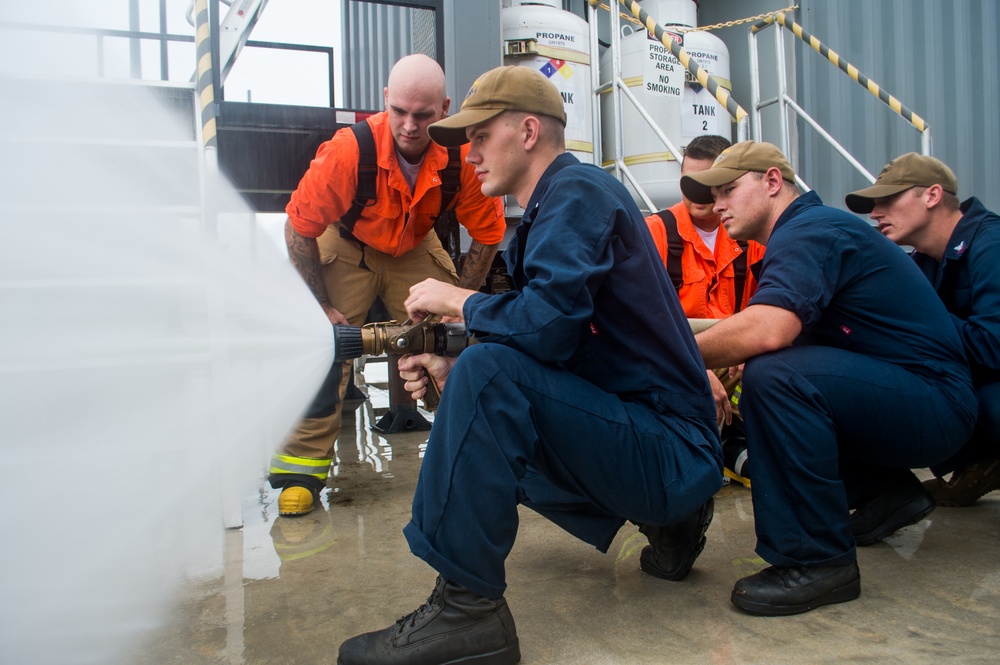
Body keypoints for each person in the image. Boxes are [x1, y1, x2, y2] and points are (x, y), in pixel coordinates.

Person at [336, 65, 721, 665]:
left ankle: (469, 610)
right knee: (481, 376)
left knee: (487, 371)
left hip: (671, 451)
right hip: (660, 450)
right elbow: (557, 349)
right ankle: (671, 522)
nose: (471, 153)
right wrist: (449, 372)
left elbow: (543, 326)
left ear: (529, 130)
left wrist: (458, 300)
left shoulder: (577, 193)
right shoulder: (555, 207)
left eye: (481, 137)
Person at [682, 141, 976, 616]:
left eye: (729, 190)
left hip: (934, 404)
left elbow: (770, 328)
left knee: (775, 376)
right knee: (782, 373)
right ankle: (886, 495)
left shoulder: (810, 230)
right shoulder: (810, 233)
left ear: (772, 182)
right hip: (921, 402)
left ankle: (816, 560)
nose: (717, 206)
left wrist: (676, 356)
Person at [271, 54, 506, 516]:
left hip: (414, 247)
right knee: (324, 345)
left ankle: (470, 446)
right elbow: (299, 227)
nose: (410, 126)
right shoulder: (348, 152)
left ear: (444, 108)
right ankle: (300, 469)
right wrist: (321, 305)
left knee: (453, 339)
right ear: (385, 101)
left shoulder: (463, 157)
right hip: (348, 243)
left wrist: (459, 304)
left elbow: (487, 236)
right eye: (399, 112)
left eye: (423, 115)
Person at [845, 153, 1000, 506]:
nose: (874, 213)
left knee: (989, 398)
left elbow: (995, 346)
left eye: (887, 200)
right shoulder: (920, 264)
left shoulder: (992, 246)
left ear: (931, 196)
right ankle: (981, 464)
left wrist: (916, 321)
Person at [645, 134, 766, 488]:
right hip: (672, 360)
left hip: (735, 364)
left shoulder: (752, 242)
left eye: (707, 183)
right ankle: (710, 449)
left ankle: (736, 445)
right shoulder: (655, 233)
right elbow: (640, 325)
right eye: (689, 182)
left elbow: (770, 314)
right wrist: (698, 371)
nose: (696, 192)